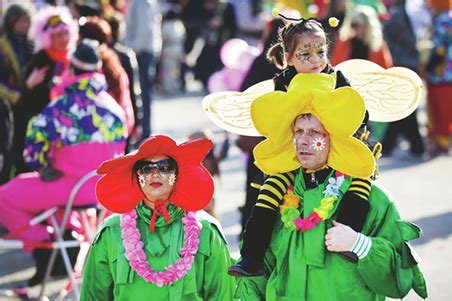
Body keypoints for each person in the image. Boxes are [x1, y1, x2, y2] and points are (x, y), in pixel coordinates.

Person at [235, 73, 427, 300]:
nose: (304, 141)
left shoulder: (371, 199)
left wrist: (362, 246)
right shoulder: (278, 199)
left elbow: (398, 283)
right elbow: (258, 276)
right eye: (298, 132)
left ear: (334, 138)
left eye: (314, 132)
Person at [229, 10, 375, 277]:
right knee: (269, 191)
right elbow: (276, 120)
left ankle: (348, 237)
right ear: (288, 58)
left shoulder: (336, 78)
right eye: (305, 55)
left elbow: (360, 114)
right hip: (297, 151)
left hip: (337, 149)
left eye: (320, 52)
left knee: (361, 179)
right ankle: (251, 257)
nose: (316, 60)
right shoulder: (283, 82)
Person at [0, 40, 127, 286]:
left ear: (72, 70)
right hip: (103, 193)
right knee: (57, 204)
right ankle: (69, 237)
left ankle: (46, 243)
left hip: (69, 189)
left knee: (4, 197)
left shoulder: (59, 108)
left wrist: (46, 163)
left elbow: (32, 155)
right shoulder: (115, 109)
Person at [81, 135, 236, 300]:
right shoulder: (111, 231)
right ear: (136, 175)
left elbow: (223, 295)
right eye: (147, 168)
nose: (155, 174)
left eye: (165, 167)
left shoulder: (207, 231)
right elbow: (92, 296)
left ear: (177, 174)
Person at [0, 4, 34, 180]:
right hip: (8, 107)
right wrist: (18, 94)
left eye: (29, 20)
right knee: (9, 150)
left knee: (23, 150)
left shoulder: (30, 43)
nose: (27, 24)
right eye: (23, 20)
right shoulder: (3, 46)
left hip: (27, 107)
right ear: (12, 21)